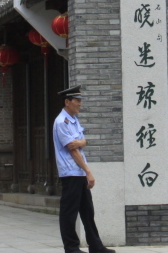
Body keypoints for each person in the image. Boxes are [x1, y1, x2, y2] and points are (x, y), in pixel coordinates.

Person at [52, 85, 115, 253]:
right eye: (77, 101)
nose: (80, 104)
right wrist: (88, 171)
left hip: (78, 171)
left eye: (80, 101)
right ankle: (71, 248)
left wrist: (82, 143)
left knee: (87, 211)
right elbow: (73, 148)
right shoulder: (62, 122)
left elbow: (81, 142)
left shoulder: (73, 119)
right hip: (71, 172)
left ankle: (96, 246)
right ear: (67, 102)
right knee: (69, 212)